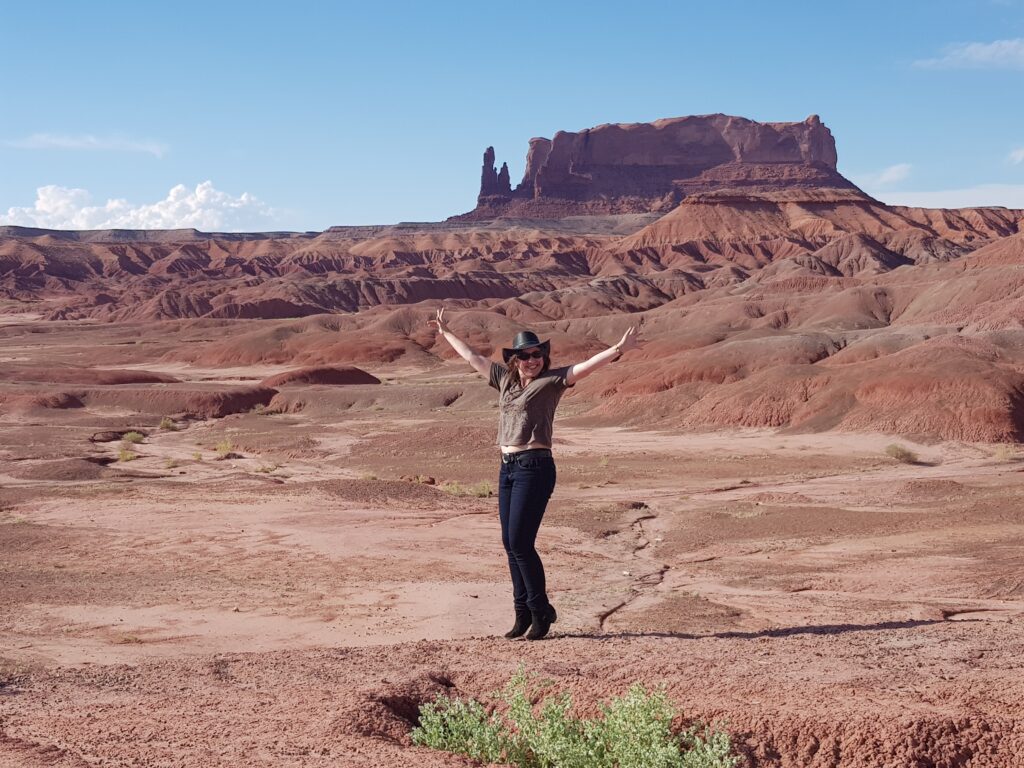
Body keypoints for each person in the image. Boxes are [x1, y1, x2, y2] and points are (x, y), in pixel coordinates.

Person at [432, 307, 640, 640]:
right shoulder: (504, 380)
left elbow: (585, 367)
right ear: (514, 360)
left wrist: (617, 349)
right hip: (508, 468)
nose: (533, 360)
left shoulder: (551, 381)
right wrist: (446, 333)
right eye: (526, 356)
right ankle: (523, 614)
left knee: (520, 542)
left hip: (535, 467)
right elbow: (472, 357)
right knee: (510, 544)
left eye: (537, 354)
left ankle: (541, 610)